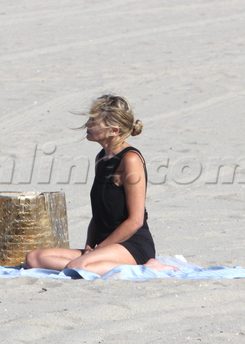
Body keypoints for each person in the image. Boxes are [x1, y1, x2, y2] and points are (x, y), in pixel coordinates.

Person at [26, 94, 177, 276]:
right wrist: (90, 245)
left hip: (131, 245)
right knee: (33, 258)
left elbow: (135, 221)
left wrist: (99, 249)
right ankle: (90, 261)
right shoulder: (101, 158)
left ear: (114, 130)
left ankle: (146, 267)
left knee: (77, 268)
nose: (88, 125)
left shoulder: (130, 159)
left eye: (94, 122)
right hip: (104, 244)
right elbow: (99, 214)